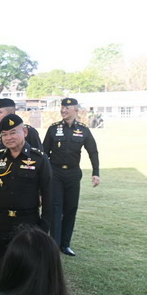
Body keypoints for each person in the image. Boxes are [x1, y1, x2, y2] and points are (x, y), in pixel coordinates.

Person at [0, 114, 52, 276]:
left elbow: (48, 195)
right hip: (1, 221)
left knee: (27, 266)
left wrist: (44, 228)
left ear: (24, 132)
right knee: (1, 264)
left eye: (13, 132)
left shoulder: (39, 159)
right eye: (4, 134)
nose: (9, 138)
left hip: (28, 221)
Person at [41, 98, 100, 257]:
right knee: (56, 208)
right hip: (56, 173)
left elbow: (92, 151)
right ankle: (54, 244)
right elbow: (44, 152)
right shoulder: (53, 129)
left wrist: (96, 172)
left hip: (73, 174)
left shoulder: (83, 130)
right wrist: (44, 173)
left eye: (67, 108)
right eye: (62, 107)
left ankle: (65, 244)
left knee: (71, 208)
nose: (64, 110)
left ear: (76, 110)